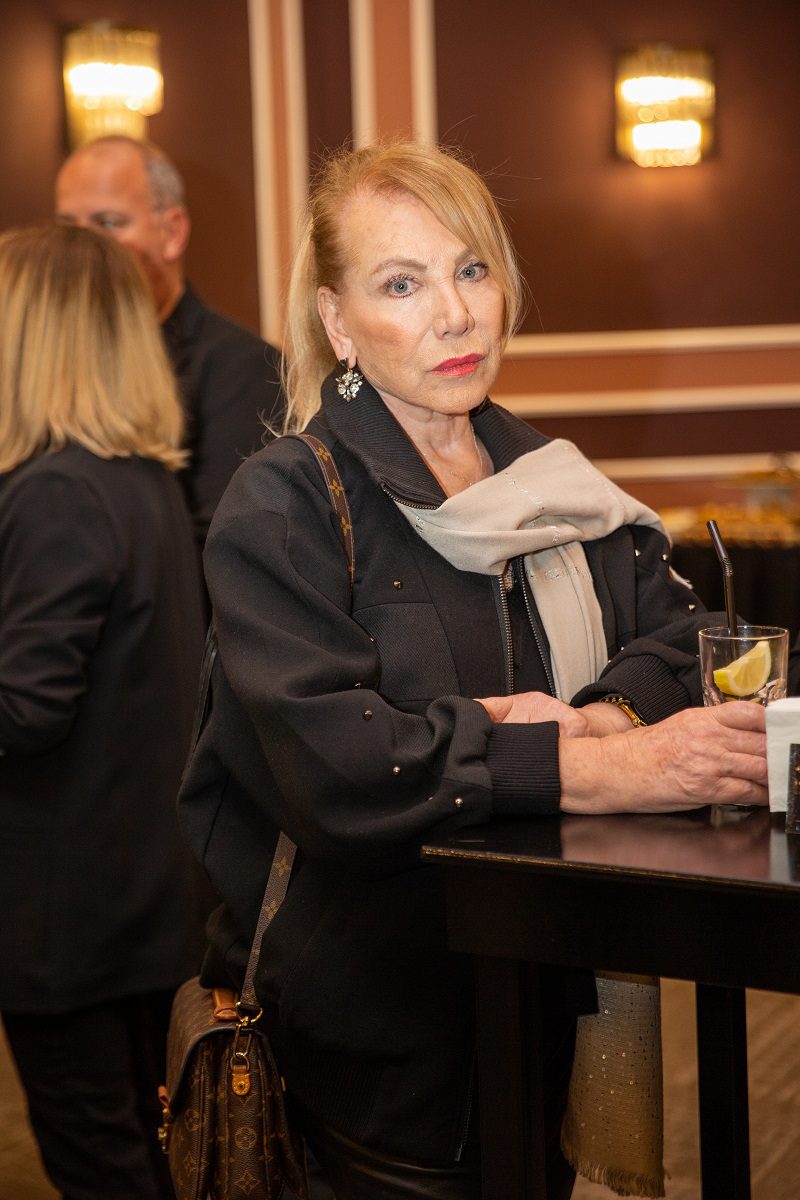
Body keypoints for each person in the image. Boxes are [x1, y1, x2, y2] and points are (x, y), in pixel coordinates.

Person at [178, 142, 767, 1200]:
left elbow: (685, 639)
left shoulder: (551, 483)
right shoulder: (287, 504)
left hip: (542, 1011)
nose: (454, 315)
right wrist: (610, 768)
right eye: (401, 284)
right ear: (337, 322)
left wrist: (602, 716)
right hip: (374, 1057)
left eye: (471, 269)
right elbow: (342, 768)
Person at [0, 224, 206, 1200]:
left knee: (101, 1162)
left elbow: (25, 709)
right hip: (133, 897)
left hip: (65, 914)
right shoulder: (137, 479)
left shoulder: (54, 492)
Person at [55, 135, 284, 549]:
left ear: (172, 232)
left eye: (108, 223)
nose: (82, 251)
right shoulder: (49, 360)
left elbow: (223, 549)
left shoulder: (245, 368)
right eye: (69, 229)